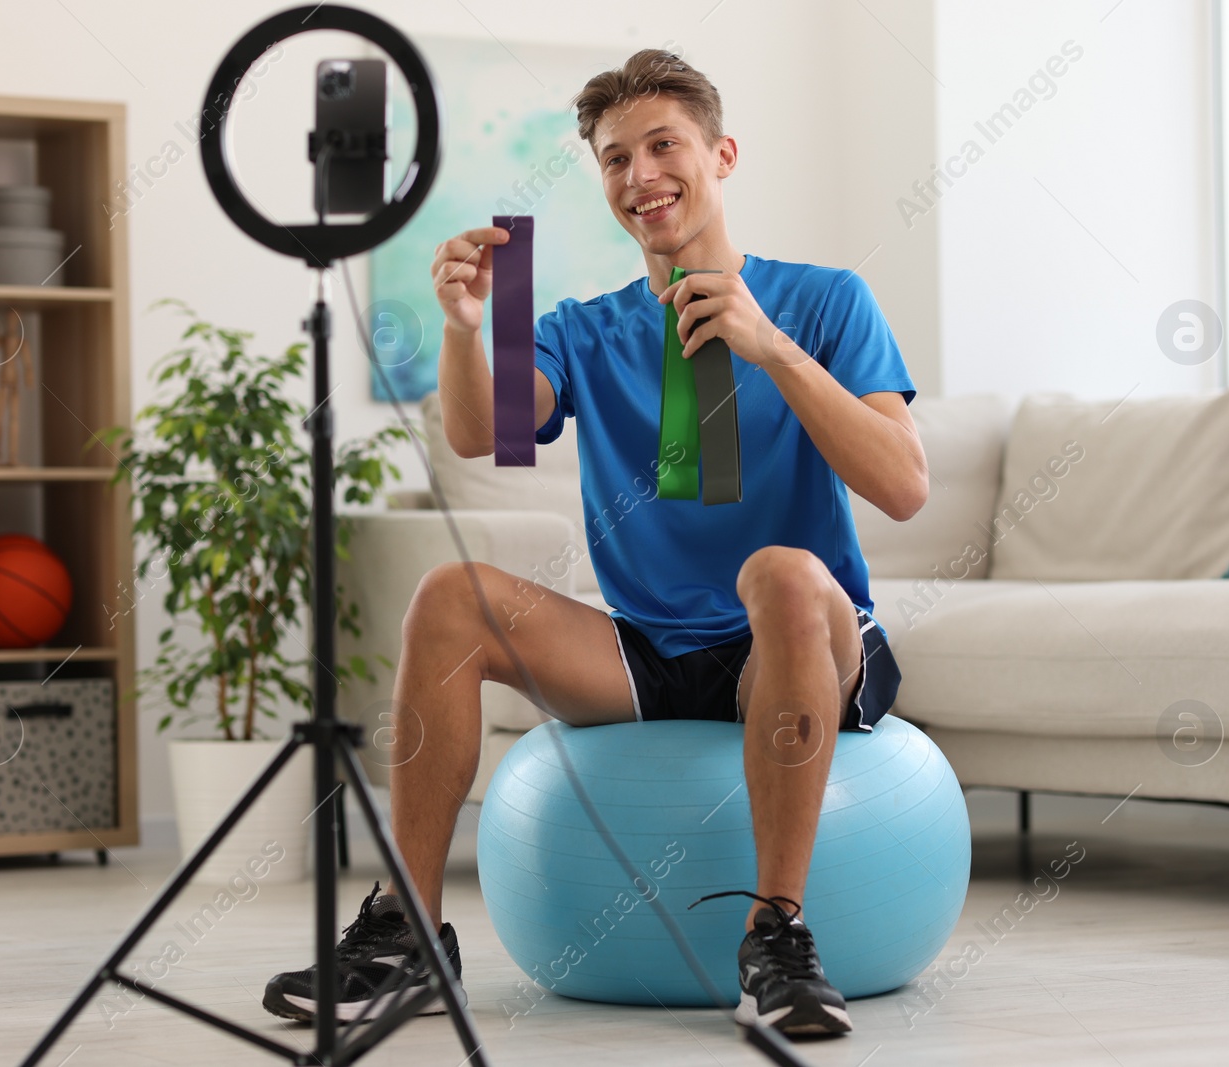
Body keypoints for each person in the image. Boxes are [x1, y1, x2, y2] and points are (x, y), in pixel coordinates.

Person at [265, 47, 926, 1039]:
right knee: (450, 592)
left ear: (723, 155)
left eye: (663, 146)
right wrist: (459, 326)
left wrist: (769, 346)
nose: (640, 175)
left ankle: (777, 932)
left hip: (797, 638)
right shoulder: (585, 329)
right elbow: (483, 429)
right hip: (647, 649)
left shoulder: (826, 301)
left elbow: (904, 485)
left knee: (779, 569)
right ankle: (408, 925)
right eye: (616, 158)